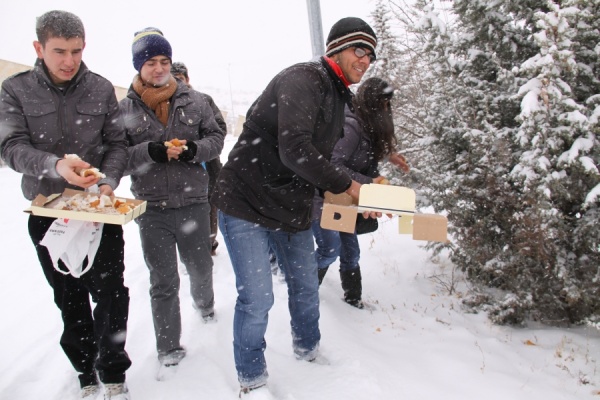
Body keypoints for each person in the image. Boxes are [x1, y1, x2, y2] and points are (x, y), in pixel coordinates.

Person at [211, 17, 378, 396]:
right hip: (245, 200)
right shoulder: (304, 79)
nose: (366, 60)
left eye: (371, 55)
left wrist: (360, 196)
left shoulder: (339, 97)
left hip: (291, 206)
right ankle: (252, 378)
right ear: (336, 48)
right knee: (257, 298)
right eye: (359, 49)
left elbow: (324, 162)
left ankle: (308, 350)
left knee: (304, 287)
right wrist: (350, 187)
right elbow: (295, 149)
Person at [0, 10, 131, 400]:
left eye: (76, 50)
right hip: (47, 212)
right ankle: (85, 371)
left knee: (111, 293)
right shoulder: (15, 90)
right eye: (59, 51)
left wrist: (107, 182)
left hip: (98, 211)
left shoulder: (101, 89)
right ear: (39, 47)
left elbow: (117, 145)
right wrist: (54, 165)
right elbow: (9, 146)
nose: (69, 61)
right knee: (69, 297)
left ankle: (113, 372)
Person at [120, 29, 224, 371]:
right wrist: (148, 152)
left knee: (200, 267)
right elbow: (117, 156)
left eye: (164, 61)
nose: (159, 68)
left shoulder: (195, 100)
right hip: (153, 210)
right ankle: (168, 348)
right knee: (163, 281)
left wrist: (194, 150)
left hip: (194, 202)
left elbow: (216, 137)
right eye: (151, 62)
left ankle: (205, 306)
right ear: (139, 66)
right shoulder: (125, 109)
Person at [311, 77, 410, 309]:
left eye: (387, 104)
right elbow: (333, 164)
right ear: (370, 103)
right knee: (329, 249)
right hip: (323, 197)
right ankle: (305, 290)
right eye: (382, 103)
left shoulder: (367, 124)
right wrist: (370, 182)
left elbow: (363, 153)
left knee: (351, 252)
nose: (385, 109)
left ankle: (353, 299)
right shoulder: (351, 125)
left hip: (345, 199)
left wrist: (389, 155)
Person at [171, 61, 226, 256]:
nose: (178, 82)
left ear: (187, 79)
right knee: (184, 206)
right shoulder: (166, 104)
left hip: (207, 165)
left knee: (209, 205)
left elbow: (219, 129)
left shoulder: (204, 100)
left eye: (180, 78)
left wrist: (196, 145)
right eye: (174, 79)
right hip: (178, 169)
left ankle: (209, 243)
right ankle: (186, 244)